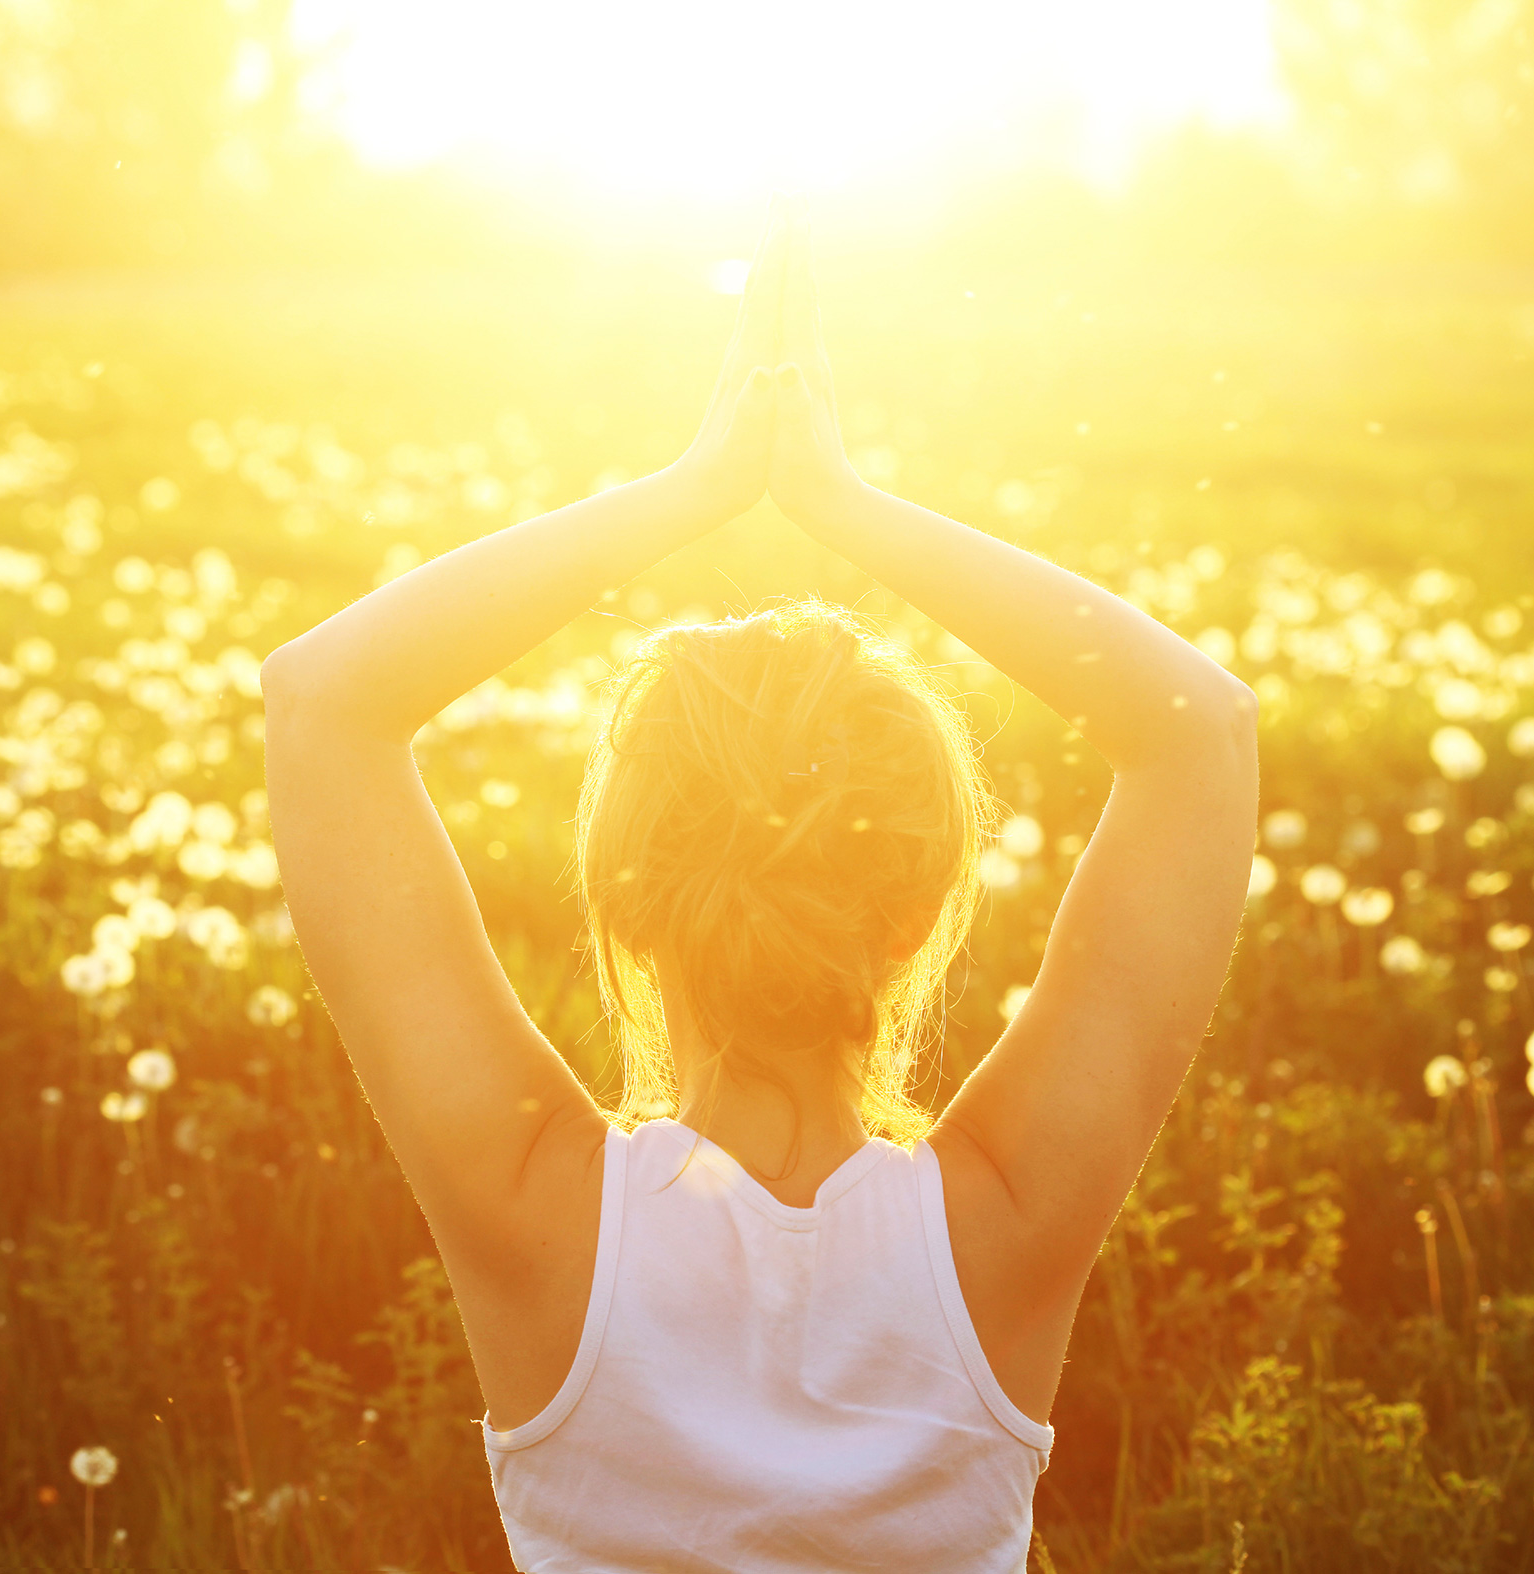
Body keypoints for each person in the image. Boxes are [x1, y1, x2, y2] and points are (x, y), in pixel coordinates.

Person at [261, 198, 1260, 1573]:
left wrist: (688, 487)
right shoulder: (1002, 1218)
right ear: (916, 913)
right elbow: (1196, 731)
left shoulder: (531, 1204)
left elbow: (322, 703)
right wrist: (848, 504)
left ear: (618, 897)